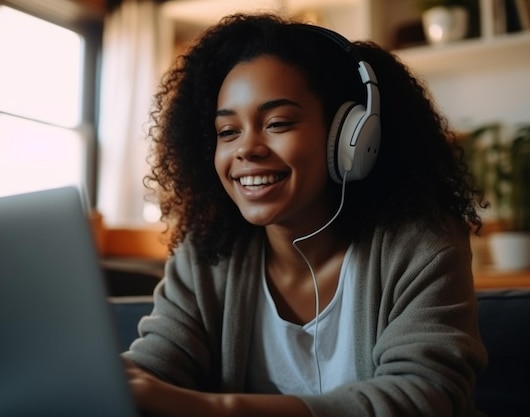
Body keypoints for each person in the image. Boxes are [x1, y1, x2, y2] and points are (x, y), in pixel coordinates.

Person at [123, 12, 488, 417]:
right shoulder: (206, 252)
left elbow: (424, 397)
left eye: (277, 123)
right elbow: (158, 367)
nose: (246, 149)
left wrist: (217, 408)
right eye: (228, 132)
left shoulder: (420, 245)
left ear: (351, 138)